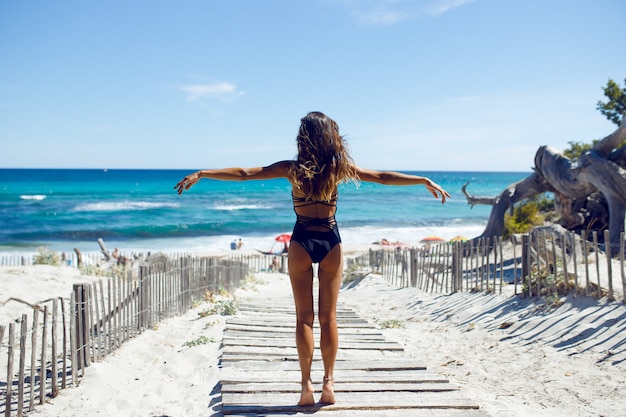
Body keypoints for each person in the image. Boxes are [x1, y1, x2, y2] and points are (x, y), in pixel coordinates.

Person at [174, 111, 449, 406]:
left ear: (303, 138)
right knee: (328, 318)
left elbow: (245, 174)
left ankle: (306, 385)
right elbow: (382, 177)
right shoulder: (339, 169)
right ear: (331, 137)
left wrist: (203, 173)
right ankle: (328, 383)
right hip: (331, 241)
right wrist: (422, 180)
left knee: (304, 318)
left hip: (302, 241)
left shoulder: (291, 169)